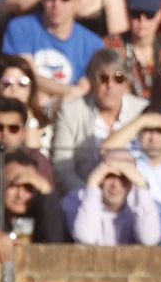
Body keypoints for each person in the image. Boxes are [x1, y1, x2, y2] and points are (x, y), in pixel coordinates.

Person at [51, 46, 146, 191]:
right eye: (103, 78)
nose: (110, 85)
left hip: (135, 195)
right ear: (91, 81)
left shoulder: (142, 111)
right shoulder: (71, 111)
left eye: (118, 78)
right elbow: (62, 167)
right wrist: (89, 195)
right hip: (84, 193)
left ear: (127, 82)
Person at [1, 0, 104, 102]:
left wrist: (68, 96)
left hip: (71, 107)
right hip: (26, 104)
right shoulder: (20, 28)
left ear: (78, 1)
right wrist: (71, 91)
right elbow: (25, 75)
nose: (56, 4)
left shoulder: (94, 44)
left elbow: (86, 89)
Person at [101, 104, 161, 234]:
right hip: (129, 238)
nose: (153, 138)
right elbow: (105, 150)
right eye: (147, 129)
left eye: (160, 131)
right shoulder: (128, 155)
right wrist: (143, 120)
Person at [0, 150, 69, 264]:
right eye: (13, 185)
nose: (20, 194)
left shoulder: (42, 208)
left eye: (28, 187)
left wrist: (46, 189)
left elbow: (54, 244)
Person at [62, 150, 161, 245]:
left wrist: (142, 185)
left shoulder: (143, 201)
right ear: (99, 175)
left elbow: (149, 240)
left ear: (133, 180)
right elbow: (85, 238)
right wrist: (92, 183)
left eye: (124, 177)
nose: (115, 184)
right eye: (109, 175)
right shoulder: (75, 199)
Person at [104, 0, 161, 108]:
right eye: (136, 14)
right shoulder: (112, 46)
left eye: (149, 15)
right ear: (128, 15)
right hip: (121, 110)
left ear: (159, 16)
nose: (142, 21)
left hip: (160, 113)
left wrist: (159, 115)